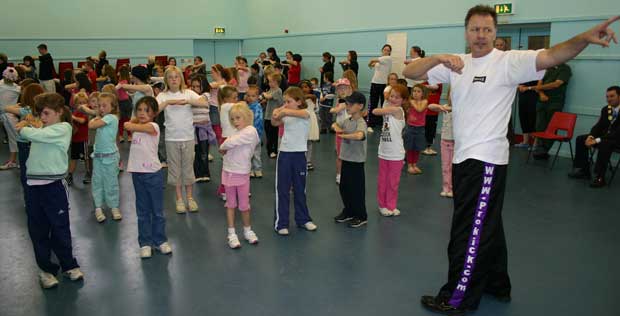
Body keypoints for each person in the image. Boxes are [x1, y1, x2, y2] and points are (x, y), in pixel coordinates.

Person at [403, 5, 619, 314]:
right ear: (466, 32)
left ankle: (457, 299)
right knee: (487, 222)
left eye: (487, 30)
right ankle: (496, 284)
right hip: (465, 157)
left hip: (486, 160)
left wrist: (584, 37)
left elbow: (554, 55)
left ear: (495, 33)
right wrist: (437, 58)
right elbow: (410, 72)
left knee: (469, 229)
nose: (481, 35)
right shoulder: (456, 64)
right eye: (475, 29)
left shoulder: (508, 62)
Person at [17, 92, 84, 289]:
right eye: (40, 114)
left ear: (59, 112)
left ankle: (69, 265)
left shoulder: (63, 128)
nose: (42, 118)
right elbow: (32, 136)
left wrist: (25, 128)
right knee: (38, 230)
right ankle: (46, 270)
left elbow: (35, 134)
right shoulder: (41, 128)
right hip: (33, 187)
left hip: (54, 187)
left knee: (60, 228)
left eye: (46, 114)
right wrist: (30, 127)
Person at [156, 66, 209, 213]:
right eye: (171, 77)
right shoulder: (163, 96)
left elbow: (204, 102)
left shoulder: (188, 93)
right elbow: (154, 110)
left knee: (187, 168)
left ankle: (190, 198)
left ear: (181, 79)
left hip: (188, 137)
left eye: (176, 76)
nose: (174, 79)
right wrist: (168, 103)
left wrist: (188, 101)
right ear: (166, 80)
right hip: (171, 138)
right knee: (175, 169)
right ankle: (179, 199)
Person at [125, 96, 172, 258]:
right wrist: (135, 119)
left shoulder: (153, 126)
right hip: (137, 174)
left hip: (153, 174)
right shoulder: (137, 125)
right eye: (139, 110)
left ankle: (160, 240)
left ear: (154, 113)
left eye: (147, 110)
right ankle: (145, 242)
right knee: (142, 211)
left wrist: (134, 121)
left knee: (157, 211)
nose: (142, 113)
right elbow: (128, 125)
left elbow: (128, 125)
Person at [271, 87, 317, 235]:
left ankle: (303, 219)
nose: (286, 104)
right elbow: (274, 123)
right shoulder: (286, 114)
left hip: (299, 156)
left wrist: (283, 110)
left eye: (289, 101)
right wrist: (277, 112)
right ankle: (281, 223)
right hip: (285, 155)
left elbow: (302, 114)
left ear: (298, 101)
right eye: (284, 101)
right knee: (282, 190)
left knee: (300, 189)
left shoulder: (306, 112)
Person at [219, 103, 260, 249]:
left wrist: (224, 146)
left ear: (247, 117)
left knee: (244, 205)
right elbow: (229, 143)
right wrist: (226, 145)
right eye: (232, 119)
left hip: (242, 173)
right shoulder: (235, 132)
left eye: (238, 118)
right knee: (230, 204)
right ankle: (231, 233)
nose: (235, 122)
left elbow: (229, 143)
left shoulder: (251, 131)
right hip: (229, 172)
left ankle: (247, 230)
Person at [568, 86, 620, 187]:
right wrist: (591, 136)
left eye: (612, 96)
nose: (609, 99)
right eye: (607, 96)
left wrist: (597, 140)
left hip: (617, 139)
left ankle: (599, 177)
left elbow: (618, 132)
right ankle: (583, 170)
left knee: (604, 144)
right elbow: (599, 125)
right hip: (605, 137)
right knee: (581, 139)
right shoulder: (606, 109)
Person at [332, 91, 368, 227]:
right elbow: (335, 125)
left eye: (351, 104)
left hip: (356, 162)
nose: (347, 106)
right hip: (345, 159)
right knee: (344, 187)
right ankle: (349, 211)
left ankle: (361, 215)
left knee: (356, 190)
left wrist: (344, 136)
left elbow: (359, 135)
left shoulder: (361, 122)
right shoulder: (347, 121)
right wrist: (337, 128)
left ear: (360, 106)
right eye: (347, 103)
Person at [372, 84, 407, 217]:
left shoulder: (398, 110)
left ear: (403, 101)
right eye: (392, 96)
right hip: (383, 151)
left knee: (393, 182)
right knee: (382, 180)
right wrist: (387, 97)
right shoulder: (388, 108)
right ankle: (382, 205)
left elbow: (376, 111)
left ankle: (391, 205)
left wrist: (386, 97)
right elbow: (375, 111)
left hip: (396, 153)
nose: (393, 99)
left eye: (397, 97)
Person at [88, 92, 122, 223]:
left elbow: (91, 125)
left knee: (111, 182)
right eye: (99, 106)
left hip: (110, 157)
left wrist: (95, 117)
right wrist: (95, 117)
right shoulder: (101, 119)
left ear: (112, 107)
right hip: (98, 157)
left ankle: (114, 206)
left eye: (104, 105)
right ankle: (98, 207)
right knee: (97, 182)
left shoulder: (111, 118)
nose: (101, 108)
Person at [532, 63, 572, 159]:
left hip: (555, 102)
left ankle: (544, 150)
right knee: (539, 126)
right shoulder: (548, 68)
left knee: (551, 127)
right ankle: (540, 149)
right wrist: (541, 94)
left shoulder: (565, 69)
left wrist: (536, 88)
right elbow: (540, 83)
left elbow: (556, 84)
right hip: (542, 101)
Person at [429, 97, 455, 198]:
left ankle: (452, 188)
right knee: (445, 166)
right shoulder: (445, 107)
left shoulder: (462, 108)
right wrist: (441, 107)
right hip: (445, 141)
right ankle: (445, 187)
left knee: (453, 167)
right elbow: (431, 106)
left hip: (456, 142)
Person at [404, 84, 429, 174]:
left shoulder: (424, 101)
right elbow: (407, 111)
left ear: (423, 93)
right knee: (410, 147)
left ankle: (414, 164)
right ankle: (410, 165)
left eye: (418, 91)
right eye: (414, 91)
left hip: (420, 128)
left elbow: (419, 109)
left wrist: (412, 102)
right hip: (410, 127)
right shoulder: (410, 102)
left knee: (417, 148)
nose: (416, 93)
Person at [367, 44, 393, 131]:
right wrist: (372, 63)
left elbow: (372, 61)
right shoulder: (380, 59)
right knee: (373, 104)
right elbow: (370, 65)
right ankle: (370, 124)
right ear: (382, 50)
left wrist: (372, 62)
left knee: (384, 105)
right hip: (374, 83)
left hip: (384, 84)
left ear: (389, 52)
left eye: (388, 50)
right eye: (384, 49)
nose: (386, 51)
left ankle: (385, 125)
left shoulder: (388, 58)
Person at [0, 67, 21, 170]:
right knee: (14, 138)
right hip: (7, 115)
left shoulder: (18, 88)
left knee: (15, 138)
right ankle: (13, 161)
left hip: (10, 116)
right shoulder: (17, 88)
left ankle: (13, 161)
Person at [262, 73, 283, 158]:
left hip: (274, 116)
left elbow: (268, 97)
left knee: (273, 134)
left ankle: (272, 150)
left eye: (271, 81)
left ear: (276, 82)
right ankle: (270, 149)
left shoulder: (278, 90)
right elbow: (267, 98)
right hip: (268, 115)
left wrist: (263, 94)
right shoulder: (271, 89)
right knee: (268, 133)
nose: (269, 83)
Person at [245, 85, 264, 178]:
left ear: (257, 97)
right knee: (249, 153)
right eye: (248, 95)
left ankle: (258, 169)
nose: (250, 98)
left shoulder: (257, 107)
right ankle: (251, 169)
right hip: (249, 134)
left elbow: (257, 120)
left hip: (256, 134)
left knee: (256, 153)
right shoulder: (246, 106)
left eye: (253, 96)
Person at [515, 80, 539, 147]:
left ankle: (536, 143)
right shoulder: (522, 71)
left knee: (534, 118)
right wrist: (518, 86)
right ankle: (525, 142)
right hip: (523, 96)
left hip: (534, 95)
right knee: (523, 117)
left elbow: (541, 84)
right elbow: (514, 81)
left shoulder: (539, 72)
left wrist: (528, 88)